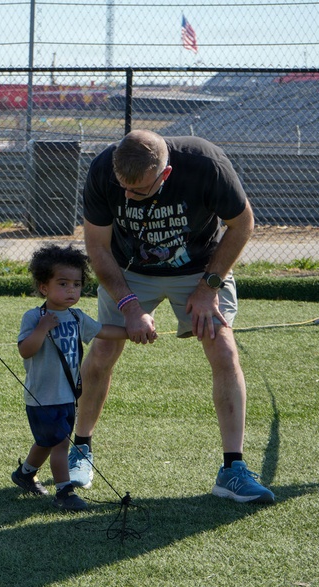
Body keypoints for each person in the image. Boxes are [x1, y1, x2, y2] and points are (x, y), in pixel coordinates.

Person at [75, 129, 275, 504]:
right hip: (130, 269)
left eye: (140, 191)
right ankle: (80, 450)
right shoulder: (103, 169)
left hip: (201, 268)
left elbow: (243, 224)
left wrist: (207, 288)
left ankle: (232, 470)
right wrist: (130, 307)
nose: (129, 197)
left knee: (225, 351)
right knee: (102, 351)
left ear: (164, 175)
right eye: (124, 189)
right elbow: (98, 249)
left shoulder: (207, 164)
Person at [11, 244, 130, 511]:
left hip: (67, 395)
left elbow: (103, 330)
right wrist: (42, 329)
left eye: (76, 284)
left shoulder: (77, 317)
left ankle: (25, 473)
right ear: (44, 287)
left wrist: (131, 330)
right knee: (60, 444)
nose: (71, 290)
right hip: (42, 397)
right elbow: (25, 350)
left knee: (47, 441)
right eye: (63, 284)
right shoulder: (34, 317)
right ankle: (64, 491)